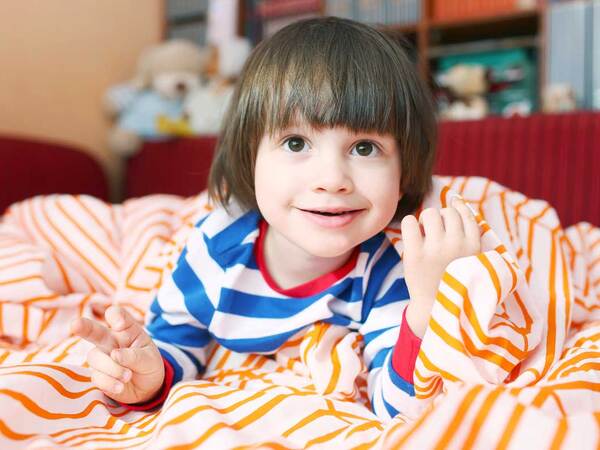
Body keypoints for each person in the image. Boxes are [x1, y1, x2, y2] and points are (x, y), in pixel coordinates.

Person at [71, 17, 480, 420]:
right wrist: (148, 377)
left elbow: (398, 407)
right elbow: (177, 342)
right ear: (250, 158)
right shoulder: (218, 246)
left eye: (365, 148)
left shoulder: (389, 268)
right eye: (296, 142)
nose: (332, 180)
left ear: (405, 169)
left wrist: (426, 308)